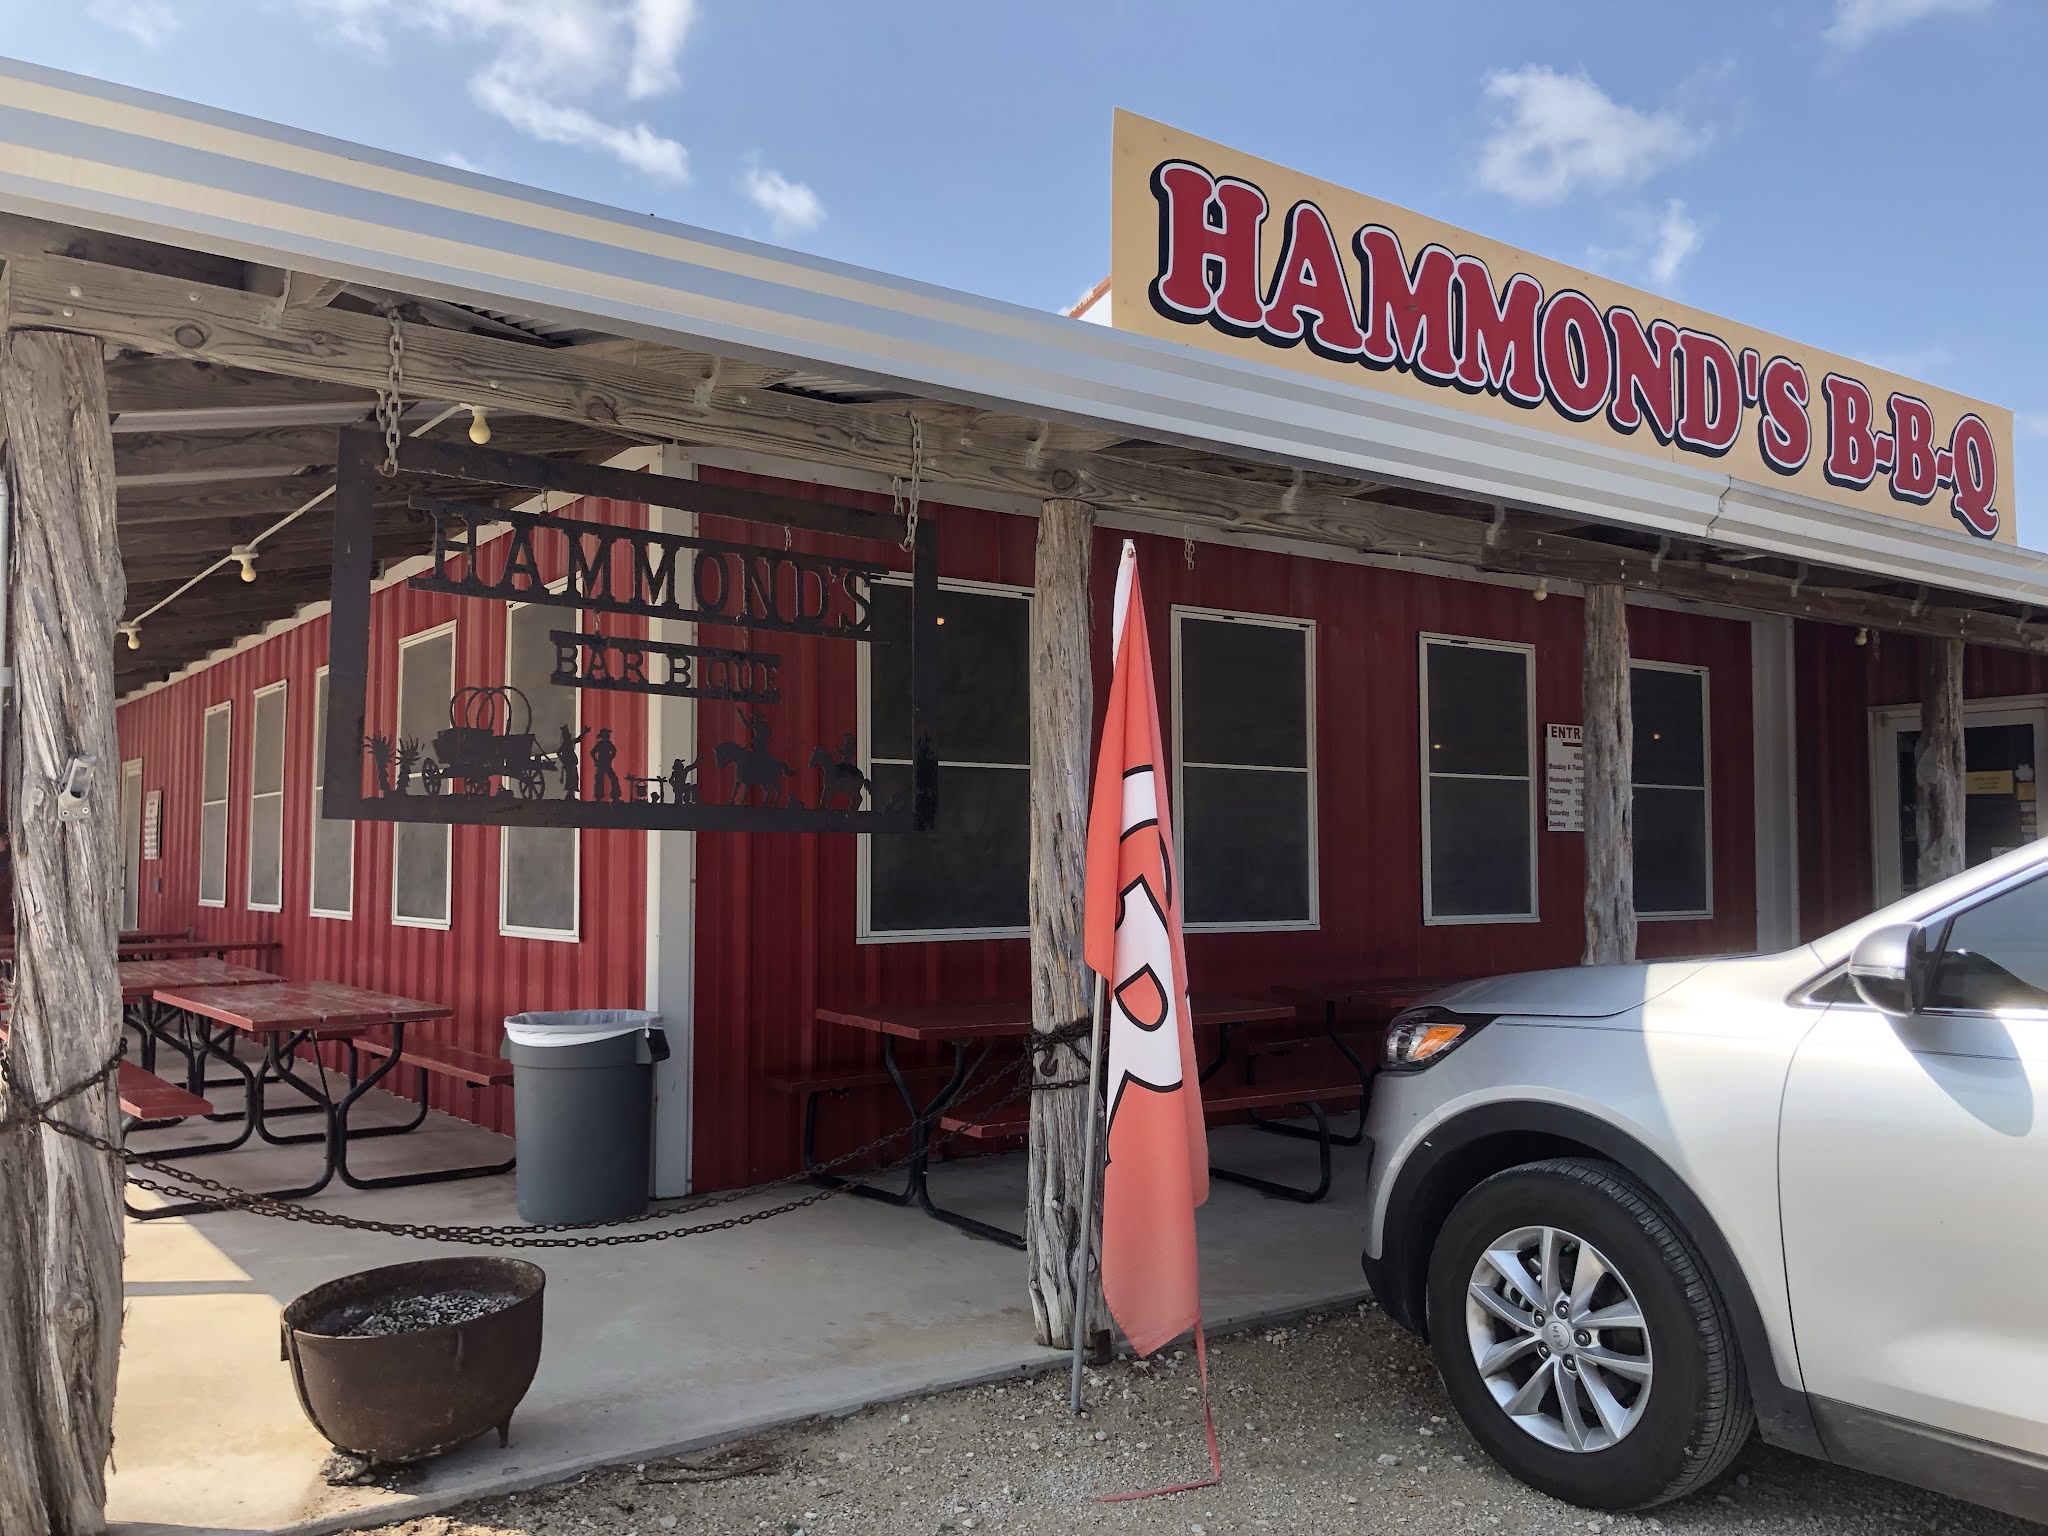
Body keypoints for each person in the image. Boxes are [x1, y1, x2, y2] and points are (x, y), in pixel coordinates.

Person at [589, 727, 622, 803]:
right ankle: (599, 796)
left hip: (605, 764)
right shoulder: (600, 744)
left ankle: (614, 795)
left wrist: (610, 758)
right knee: (600, 779)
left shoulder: (608, 744)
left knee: (612, 778)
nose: (608, 736)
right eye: (607, 735)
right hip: (601, 764)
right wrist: (596, 761)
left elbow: (614, 751)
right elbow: (592, 752)